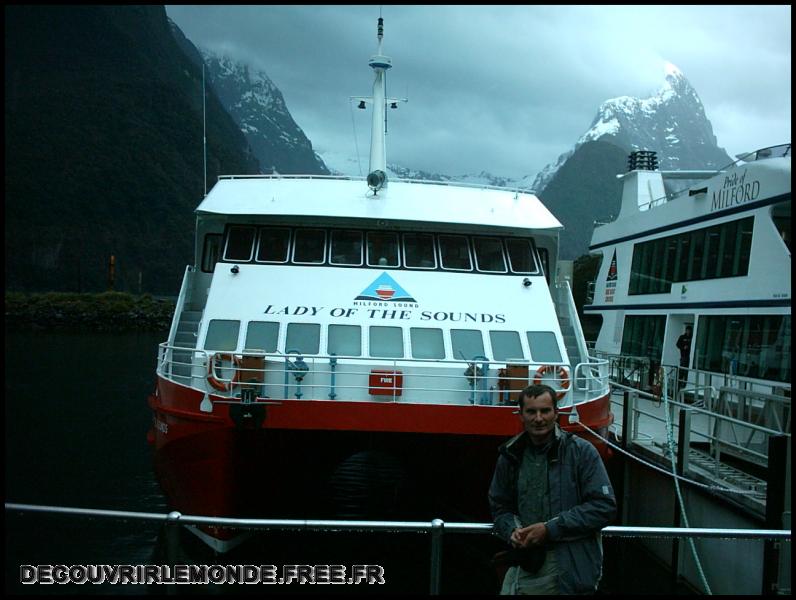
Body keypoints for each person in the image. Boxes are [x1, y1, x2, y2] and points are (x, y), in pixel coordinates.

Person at [488, 384, 616, 594]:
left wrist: (549, 529)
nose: (538, 418)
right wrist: (512, 530)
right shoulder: (510, 455)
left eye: (545, 411)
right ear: (521, 415)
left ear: (556, 413)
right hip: (526, 562)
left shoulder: (582, 453)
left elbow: (604, 507)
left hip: (568, 565)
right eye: (531, 412)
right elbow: (499, 505)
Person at [676, 325, 692, 397]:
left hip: (689, 357)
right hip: (683, 356)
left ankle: (684, 384)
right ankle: (679, 384)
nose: (688, 332)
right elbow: (677, 344)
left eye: (689, 330)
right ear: (686, 330)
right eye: (687, 330)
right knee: (682, 371)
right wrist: (683, 347)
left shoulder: (691, 338)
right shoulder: (682, 337)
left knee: (686, 372)